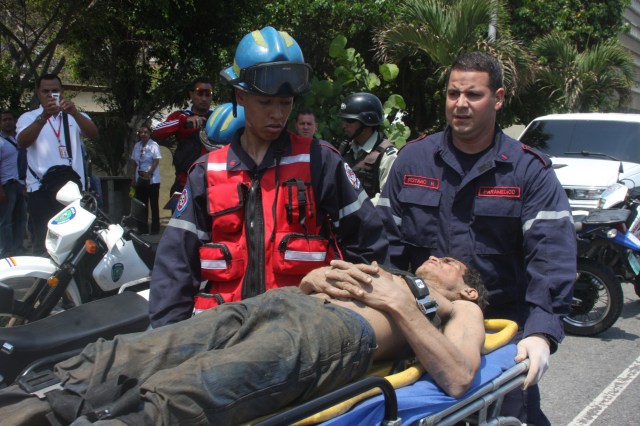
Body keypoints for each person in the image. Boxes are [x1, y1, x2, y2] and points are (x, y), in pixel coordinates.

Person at [0, 256, 487, 425]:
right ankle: (24, 409)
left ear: (467, 286)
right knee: (132, 353)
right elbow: (310, 288)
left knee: (188, 389)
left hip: (330, 336)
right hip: (275, 304)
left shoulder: (461, 308)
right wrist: (312, 281)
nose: (438, 258)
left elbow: (460, 375)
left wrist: (397, 302)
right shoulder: (394, 271)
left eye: (451, 263)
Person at [376, 51, 576, 425]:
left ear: (498, 99)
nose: (461, 105)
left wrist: (541, 333)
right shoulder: (414, 161)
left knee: (511, 417)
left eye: (473, 95)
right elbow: (384, 245)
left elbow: (550, 256)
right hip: (424, 327)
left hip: (501, 332)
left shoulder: (528, 171)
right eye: (453, 94)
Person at [149, 27, 388, 328]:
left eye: (285, 102)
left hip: (304, 335)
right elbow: (174, 270)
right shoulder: (205, 172)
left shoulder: (321, 161)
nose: (277, 114)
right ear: (241, 96)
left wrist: (349, 316)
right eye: (265, 103)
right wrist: (168, 341)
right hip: (220, 338)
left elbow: (369, 245)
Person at [16, 74, 99, 255]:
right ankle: (44, 282)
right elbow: (22, 142)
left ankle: (76, 281)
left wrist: (75, 113)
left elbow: (93, 133)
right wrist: (43, 117)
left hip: (74, 191)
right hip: (41, 190)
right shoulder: (29, 117)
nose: (50, 94)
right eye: (45, 91)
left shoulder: (73, 116)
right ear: (38, 93)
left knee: (77, 244)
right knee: (44, 242)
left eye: (55, 90)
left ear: (62, 92)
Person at [152, 77, 214, 197]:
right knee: (178, 215)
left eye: (208, 94)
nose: (204, 98)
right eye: (200, 93)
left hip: (212, 184)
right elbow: (157, 131)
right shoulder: (180, 116)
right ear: (191, 94)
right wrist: (184, 121)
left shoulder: (217, 117)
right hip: (184, 183)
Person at [337, 92, 398, 205]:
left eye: (350, 121)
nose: (344, 125)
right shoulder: (346, 150)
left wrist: (355, 211)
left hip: (371, 220)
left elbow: (387, 198)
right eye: (344, 120)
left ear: (367, 122)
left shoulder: (387, 156)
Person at [0, 110, 27, 257]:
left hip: (20, 184)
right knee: (6, 220)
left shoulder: (19, 139)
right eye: (4, 120)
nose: (8, 122)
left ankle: (18, 248)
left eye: (10, 119)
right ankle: (6, 251)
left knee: (21, 218)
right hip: (7, 185)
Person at [129, 125, 162, 235]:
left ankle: (155, 229)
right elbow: (133, 162)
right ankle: (142, 229)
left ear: (149, 133)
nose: (143, 134)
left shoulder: (154, 145)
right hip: (140, 179)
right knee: (142, 205)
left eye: (145, 132)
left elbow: (156, 161)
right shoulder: (137, 146)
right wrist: (133, 177)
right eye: (141, 132)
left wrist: (149, 173)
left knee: (153, 205)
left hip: (152, 180)